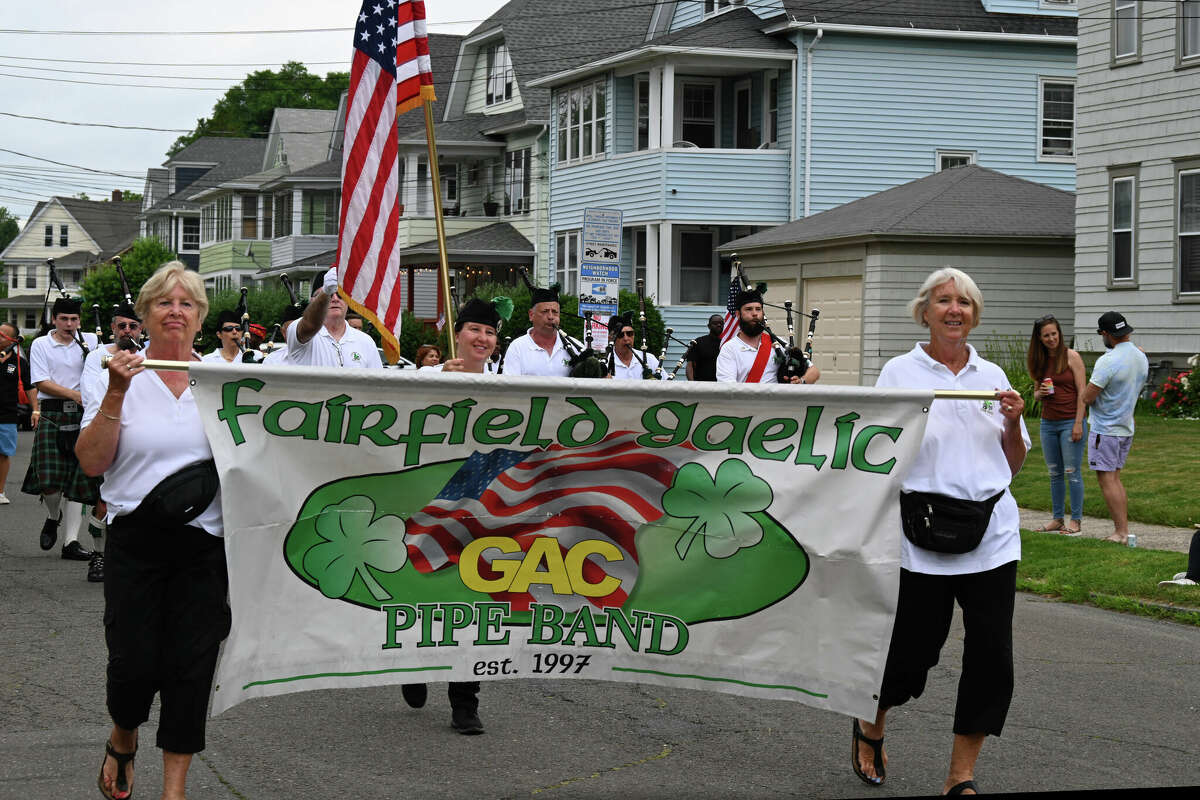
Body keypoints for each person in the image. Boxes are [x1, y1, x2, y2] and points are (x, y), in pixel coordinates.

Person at [857, 268, 1030, 797]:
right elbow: (875, 453)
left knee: (991, 658)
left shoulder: (992, 374)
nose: (956, 310)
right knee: (911, 655)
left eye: (966, 303)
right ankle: (870, 723)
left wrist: (1010, 421)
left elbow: (1015, 461)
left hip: (992, 534)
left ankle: (961, 776)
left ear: (974, 314)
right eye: (944, 301)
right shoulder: (899, 373)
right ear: (925, 311)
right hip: (921, 537)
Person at [76, 262, 230, 800]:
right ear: (142, 315)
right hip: (135, 541)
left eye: (186, 303)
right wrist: (117, 393)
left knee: (191, 668)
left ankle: (174, 792)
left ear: (200, 318)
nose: (175, 311)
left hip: (204, 545)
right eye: (164, 302)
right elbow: (93, 464)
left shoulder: (224, 381)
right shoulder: (112, 374)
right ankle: (123, 737)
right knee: (133, 665)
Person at [400, 296, 513, 734]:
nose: (482, 339)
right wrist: (435, 382)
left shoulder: (510, 385)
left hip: (483, 507)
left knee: (476, 600)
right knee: (425, 588)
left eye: (489, 333)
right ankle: (410, 662)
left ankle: (465, 702)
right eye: (474, 331)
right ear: (457, 333)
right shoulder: (430, 375)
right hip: (431, 500)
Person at [67, 304, 144, 583]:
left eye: (132, 326)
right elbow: (90, 397)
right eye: (121, 326)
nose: (127, 331)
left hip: (139, 436)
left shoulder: (151, 360)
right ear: (113, 328)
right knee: (103, 500)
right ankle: (99, 555)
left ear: (141, 329)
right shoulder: (98, 358)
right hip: (105, 429)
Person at [22, 297, 100, 561]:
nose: (69, 324)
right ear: (54, 319)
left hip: (84, 414)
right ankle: (54, 515)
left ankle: (71, 542)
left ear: (80, 320)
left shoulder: (90, 341)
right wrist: (75, 395)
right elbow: (41, 382)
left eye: (74, 319)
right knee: (49, 479)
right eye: (64, 319)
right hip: (54, 411)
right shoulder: (42, 344)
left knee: (78, 479)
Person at [1081, 311, 1148, 545]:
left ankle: (1120, 532)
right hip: (1125, 427)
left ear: (1106, 334)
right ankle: (1123, 530)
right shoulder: (1141, 357)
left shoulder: (1107, 361)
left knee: (1107, 480)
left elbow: (1088, 397)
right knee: (1115, 479)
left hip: (1105, 429)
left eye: (1102, 334)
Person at [1026, 314, 1087, 535]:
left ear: (1060, 333)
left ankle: (1076, 521)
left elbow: (1083, 392)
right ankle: (1057, 518)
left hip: (1070, 421)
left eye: (1054, 333)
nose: (1051, 338)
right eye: (1046, 335)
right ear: (1039, 339)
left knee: (1072, 472)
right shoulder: (1040, 361)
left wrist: (1079, 423)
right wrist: (1039, 393)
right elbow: (1035, 394)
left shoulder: (1072, 357)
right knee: (1054, 473)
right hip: (1048, 423)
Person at [715, 288, 821, 384]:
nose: (754, 313)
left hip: (775, 404)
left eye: (758, 309)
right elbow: (728, 388)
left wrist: (801, 381)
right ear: (738, 314)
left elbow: (814, 371)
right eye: (748, 309)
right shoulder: (729, 349)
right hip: (746, 404)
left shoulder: (778, 344)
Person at [286, 268, 383, 369]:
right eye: (329, 295)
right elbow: (310, 325)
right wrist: (325, 292)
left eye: (340, 295)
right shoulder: (299, 330)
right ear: (312, 301)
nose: (335, 299)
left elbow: (377, 382)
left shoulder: (365, 341)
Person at [501, 283, 577, 377]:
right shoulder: (517, 348)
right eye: (545, 311)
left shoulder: (575, 347)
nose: (550, 317)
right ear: (531, 315)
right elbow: (510, 387)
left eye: (555, 312)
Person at [1, 322, 37, 505]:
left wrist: (36, 409)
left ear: (12, 341)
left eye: (2, 335)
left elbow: (30, 386)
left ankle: (0, 491)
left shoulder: (19, 362)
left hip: (7, 413)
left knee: (3, 453)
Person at [606, 313, 662, 379]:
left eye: (629, 334)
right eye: (620, 335)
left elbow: (668, 385)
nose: (626, 338)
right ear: (610, 339)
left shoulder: (650, 360)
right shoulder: (605, 364)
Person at [685, 313, 725, 381]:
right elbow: (690, 365)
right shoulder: (698, 342)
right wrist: (692, 384)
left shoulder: (726, 344)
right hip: (701, 385)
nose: (719, 325)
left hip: (722, 384)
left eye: (721, 323)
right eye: (715, 323)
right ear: (709, 326)